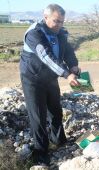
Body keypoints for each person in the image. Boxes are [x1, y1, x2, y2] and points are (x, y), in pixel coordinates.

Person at [20, 4, 80, 165]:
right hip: (32, 79)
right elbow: (45, 56)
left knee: (56, 110)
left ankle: (59, 140)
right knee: (38, 116)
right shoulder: (34, 34)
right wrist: (67, 74)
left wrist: (73, 64)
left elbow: (67, 51)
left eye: (62, 21)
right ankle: (41, 152)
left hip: (50, 77)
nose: (59, 25)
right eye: (56, 21)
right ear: (45, 17)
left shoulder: (60, 32)